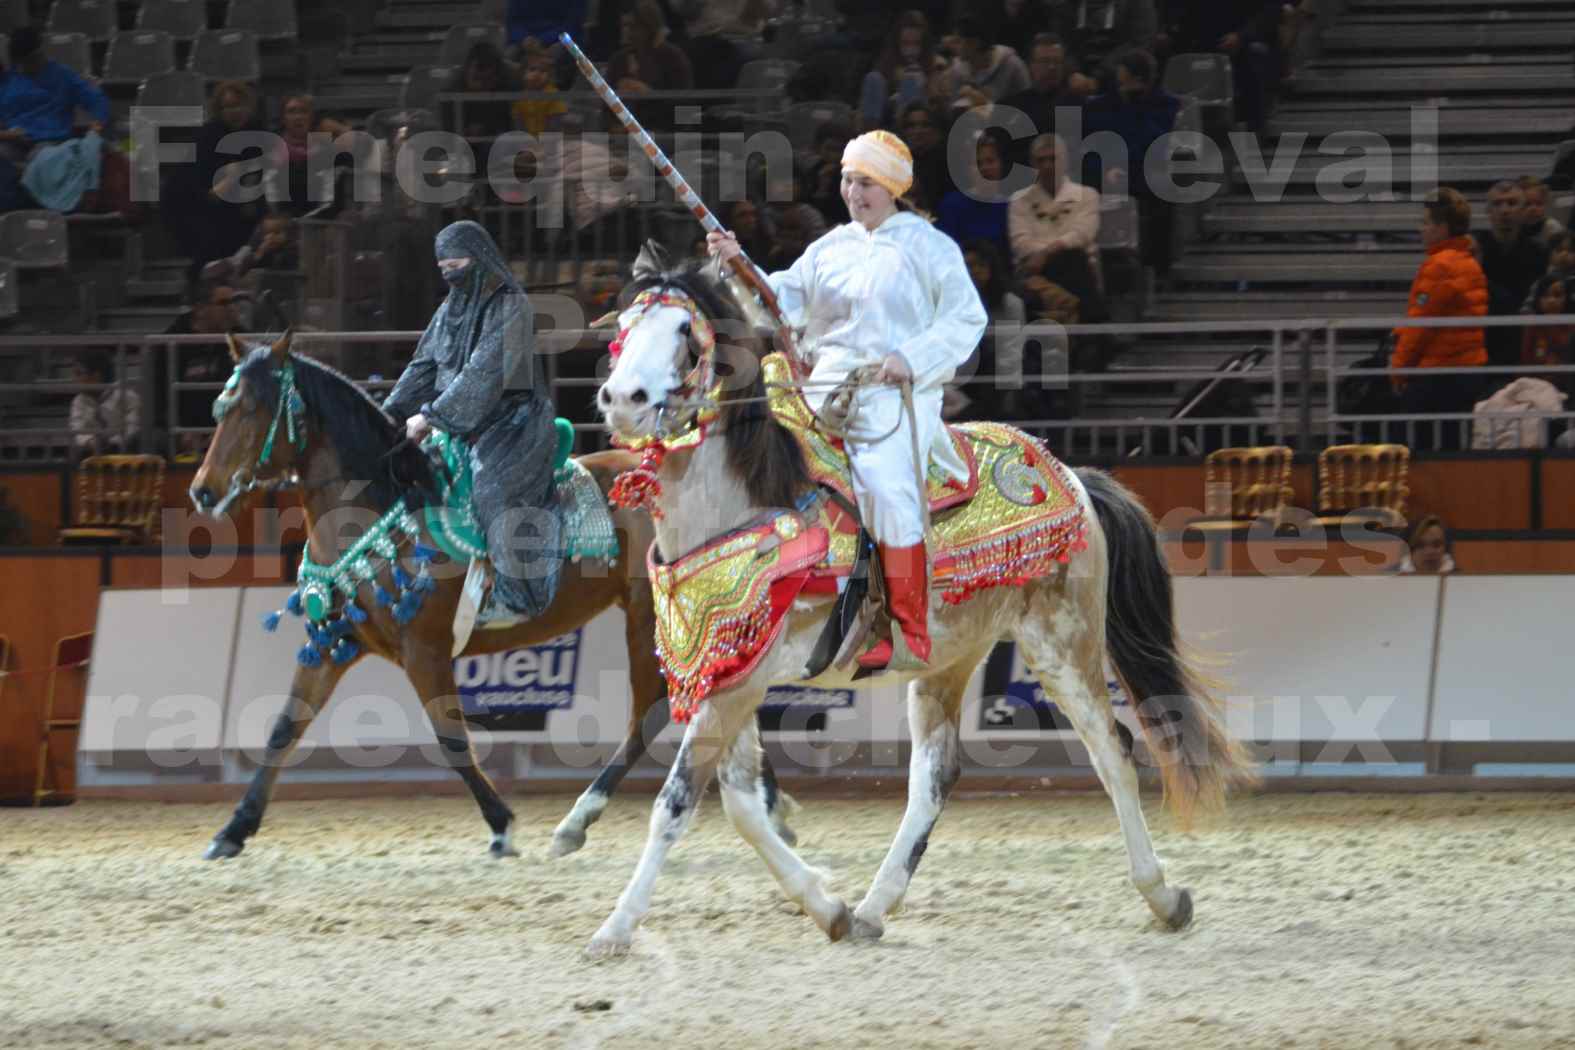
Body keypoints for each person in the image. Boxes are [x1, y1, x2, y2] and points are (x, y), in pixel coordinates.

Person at [708, 130, 988, 671]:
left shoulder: (930, 247)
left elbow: (967, 318)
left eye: (865, 183)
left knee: (885, 488)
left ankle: (908, 628)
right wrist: (738, 266)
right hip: (816, 389)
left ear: (892, 189)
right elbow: (778, 306)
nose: (853, 193)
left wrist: (913, 355)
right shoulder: (830, 246)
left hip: (890, 395)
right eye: (846, 180)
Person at [382, 220, 563, 619]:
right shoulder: (449, 310)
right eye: (443, 267)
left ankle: (518, 597)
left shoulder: (511, 305)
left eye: (457, 263)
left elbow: (484, 375)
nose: (450, 273)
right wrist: (388, 412)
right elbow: (424, 367)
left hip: (515, 424)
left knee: (491, 489)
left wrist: (431, 417)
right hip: (458, 424)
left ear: (479, 258)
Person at [1390, 188, 1488, 443]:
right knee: (1453, 450)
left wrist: (1399, 369)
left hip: (1438, 374)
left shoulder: (1439, 266)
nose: (1421, 229)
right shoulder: (1470, 262)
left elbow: (1421, 325)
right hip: (1467, 371)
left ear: (1442, 227)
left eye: (1426, 222)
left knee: (1412, 450)